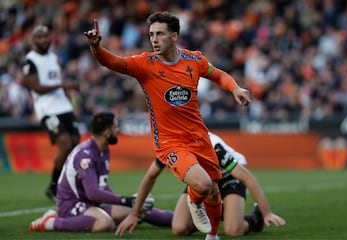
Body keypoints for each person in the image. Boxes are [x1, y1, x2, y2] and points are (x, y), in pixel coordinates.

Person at [84, 11, 251, 240]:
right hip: (170, 143)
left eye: (159, 34)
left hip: (199, 137)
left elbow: (218, 75)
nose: (153, 39)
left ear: (174, 36)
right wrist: (96, 48)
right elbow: (114, 62)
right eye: (151, 34)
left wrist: (235, 88)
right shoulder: (145, 64)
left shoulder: (194, 60)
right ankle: (193, 201)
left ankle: (212, 237)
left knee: (213, 191)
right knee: (202, 186)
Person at [28, 112, 173, 232]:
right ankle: (52, 222)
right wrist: (125, 200)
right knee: (105, 223)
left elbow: (102, 188)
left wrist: (131, 203)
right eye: (116, 127)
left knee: (138, 210)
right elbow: (93, 193)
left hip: (89, 204)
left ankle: (181, 220)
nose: (118, 130)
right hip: (71, 205)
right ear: (107, 132)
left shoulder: (103, 150)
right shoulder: (85, 155)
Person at [171, 132, 286, 236]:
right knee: (179, 228)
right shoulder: (170, 145)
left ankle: (256, 219)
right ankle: (224, 211)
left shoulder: (214, 148)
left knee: (233, 230)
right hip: (204, 180)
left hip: (228, 176)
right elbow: (152, 174)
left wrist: (267, 213)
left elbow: (248, 178)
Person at [22, 25, 80, 201]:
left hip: (63, 106)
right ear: (34, 40)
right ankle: (54, 188)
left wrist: (71, 99)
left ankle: (69, 184)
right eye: (39, 37)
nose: (43, 40)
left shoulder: (53, 57)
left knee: (76, 144)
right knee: (65, 143)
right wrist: (65, 86)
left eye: (45, 36)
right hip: (47, 109)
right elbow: (37, 88)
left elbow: (55, 80)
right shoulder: (29, 61)